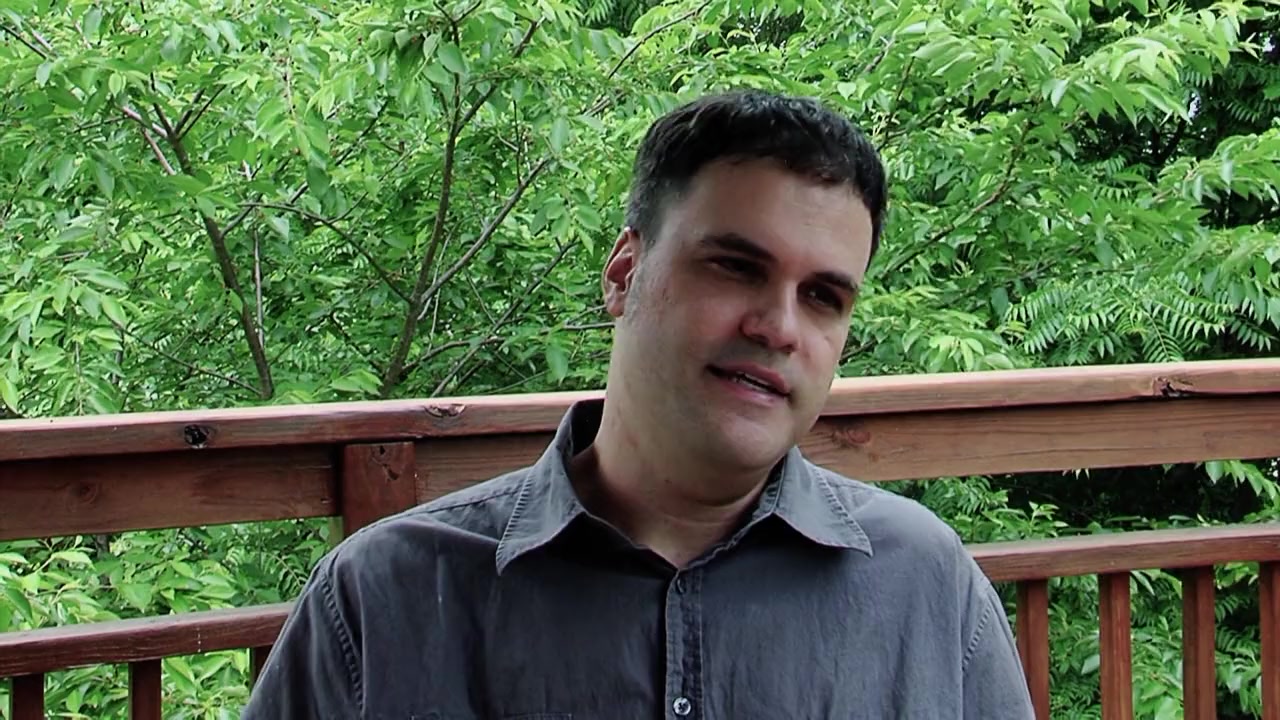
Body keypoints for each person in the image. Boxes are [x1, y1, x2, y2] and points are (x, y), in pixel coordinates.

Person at [242, 89, 1035, 719]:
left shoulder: (927, 590)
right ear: (624, 274)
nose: (779, 327)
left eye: (823, 296)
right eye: (735, 267)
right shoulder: (385, 599)